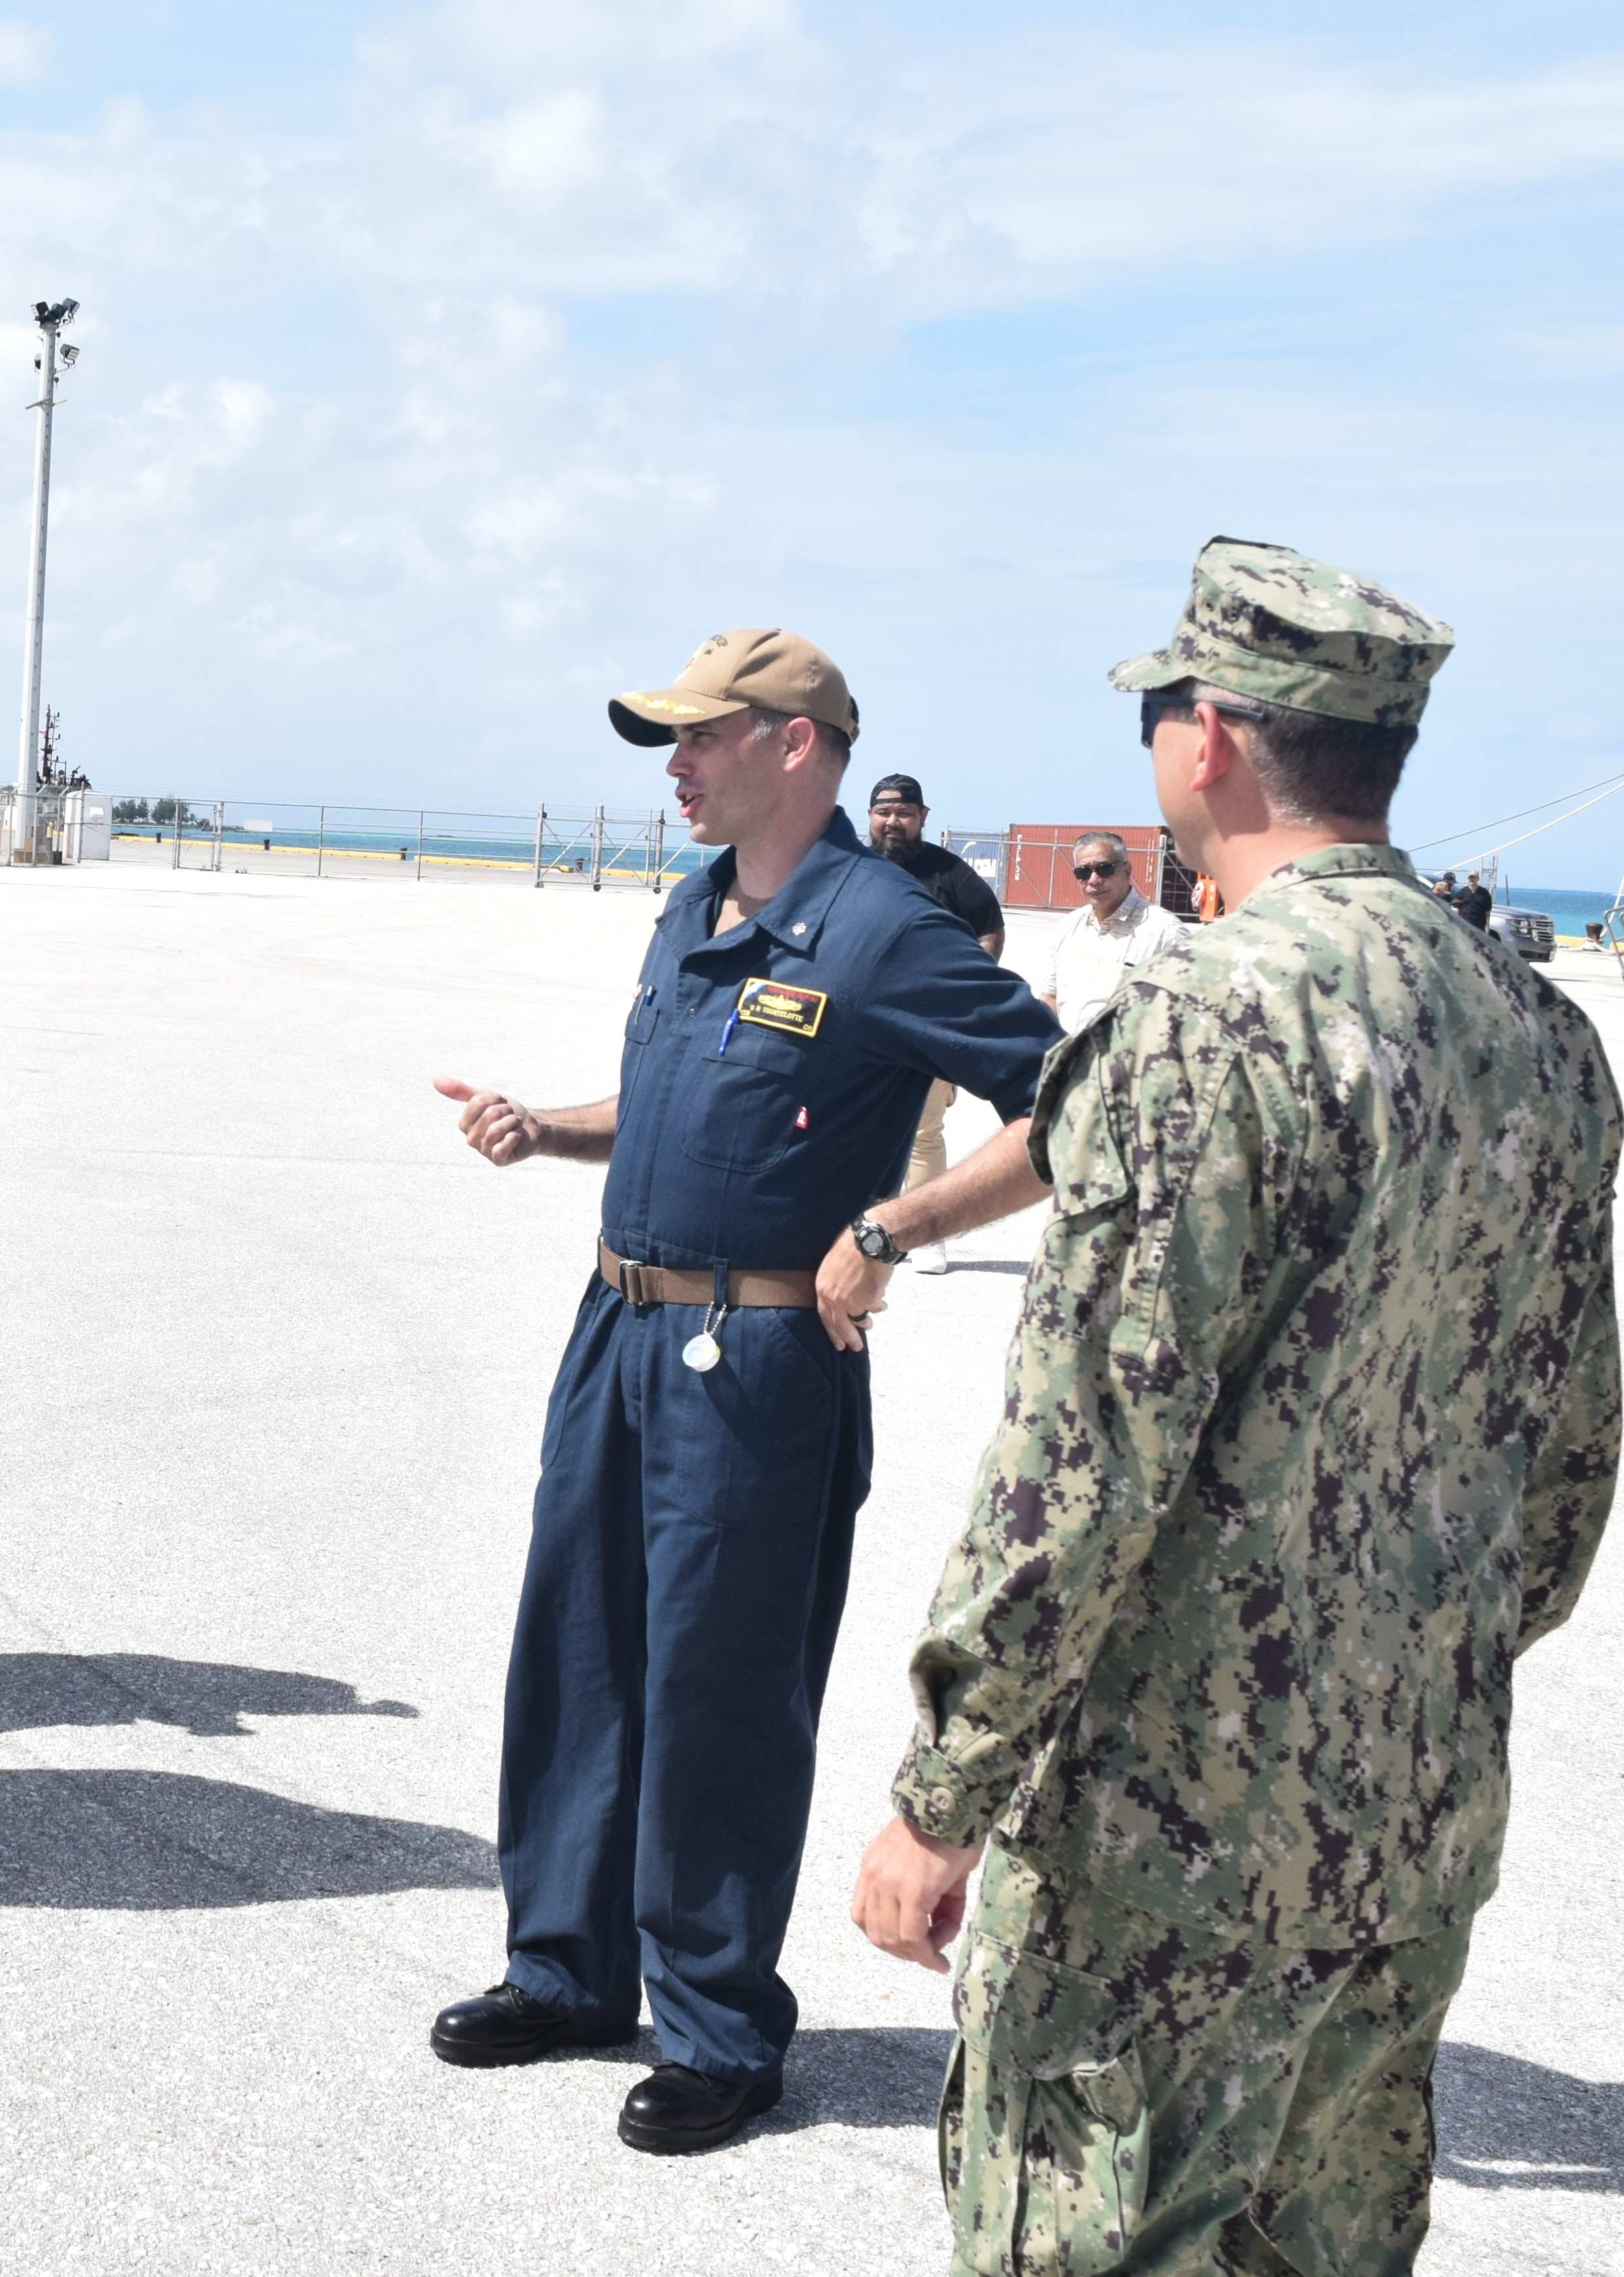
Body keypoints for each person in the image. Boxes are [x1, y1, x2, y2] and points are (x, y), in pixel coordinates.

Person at [846, 538, 1624, 2272]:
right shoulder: (1541, 1035)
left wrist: (940, 1790)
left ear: (1203, 738)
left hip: (1158, 1857)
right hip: (1405, 1826)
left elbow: (1076, 1477)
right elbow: (1559, 1475)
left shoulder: (1204, 1025)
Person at [426, 629, 1059, 2155]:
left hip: (759, 1356)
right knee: (575, 1655)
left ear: (796, 743)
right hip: (619, 1326)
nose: (674, 763)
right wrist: (550, 1126)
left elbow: (1073, 1099)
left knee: (719, 1685)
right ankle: (568, 1968)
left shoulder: (880, 925)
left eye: (700, 736)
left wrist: (891, 1226)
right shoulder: (692, 903)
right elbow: (664, 1091)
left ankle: (717, 2025)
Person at [859, 774, 1003, 1274]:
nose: (892, 821)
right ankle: (853, 1222)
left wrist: (968, 994)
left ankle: (923, 1234)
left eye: (904, 812)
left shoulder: (950, 872)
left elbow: (989, 928)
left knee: (922, 1130)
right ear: (870, 816)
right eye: (884, 811)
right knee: (849, 1123)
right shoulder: (848, 868)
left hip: (928, 1025)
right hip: (857, 1021)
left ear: (922, 817)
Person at [1037, 829, 1184, 1022]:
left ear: (1127, 871)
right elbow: (1050, 998)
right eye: (1083, 872)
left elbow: (1189, 1010)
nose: (1094, 880)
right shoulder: (1068, 928)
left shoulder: (1165, 932)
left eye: (1104, 869)